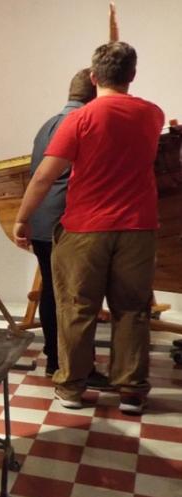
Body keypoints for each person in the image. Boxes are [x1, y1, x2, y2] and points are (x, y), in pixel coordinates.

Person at [14, 42, 163, 414]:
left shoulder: (80, 119)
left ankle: (71, 389)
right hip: (138, 226)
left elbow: (44, 176)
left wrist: (22, 218)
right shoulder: (152, 114)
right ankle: (131, 392)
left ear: (94, 77)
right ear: (132, 75)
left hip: (86, 227)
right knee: (133, 310)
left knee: (77, 308)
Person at [28, 68, 111, 391]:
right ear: (94, 95)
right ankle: (76, 366)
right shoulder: (83, 123)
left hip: (41, 221)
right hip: (66, 222)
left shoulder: (47, 124)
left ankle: (54, 358)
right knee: (78, 298)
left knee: (52, 292)